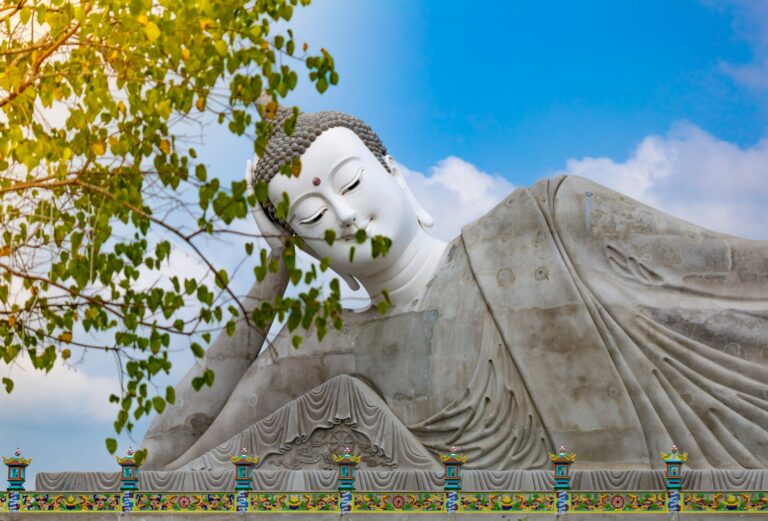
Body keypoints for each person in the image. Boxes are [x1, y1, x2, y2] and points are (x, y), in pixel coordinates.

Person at [142, 109, 768, 472]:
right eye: (309, 218)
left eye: (352, 182)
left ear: (397, 176)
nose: (341, 214)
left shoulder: (545, 223)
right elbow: (158, 468)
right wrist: (271, 274)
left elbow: (738, 286)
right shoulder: (320, 346)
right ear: (308, 248)